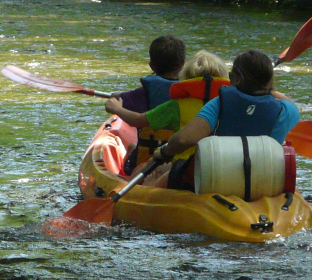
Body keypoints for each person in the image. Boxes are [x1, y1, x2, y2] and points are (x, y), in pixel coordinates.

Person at [148, 49, 300, 191]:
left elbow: (183, 140)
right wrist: (268, 87)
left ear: (234, 77)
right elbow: (288, 103)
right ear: (269, 80)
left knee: (178, 168)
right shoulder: (286, 111)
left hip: (219, 181)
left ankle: (149, 190)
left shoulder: (220, 103)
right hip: (265, 184)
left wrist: (164, 153)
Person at [106, 50, 230, 179]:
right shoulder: (227, 104)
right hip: (219, 166)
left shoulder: (177, 106)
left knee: (146, 167)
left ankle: (131, 187)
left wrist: (117, 109)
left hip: (183, 166)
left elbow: (138, 121)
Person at [112, 35, 186, 114]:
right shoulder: (189, 90)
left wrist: (113, 95)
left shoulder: (143, 93)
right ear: (183, 63)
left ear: (152, 66)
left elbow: (115, 98)